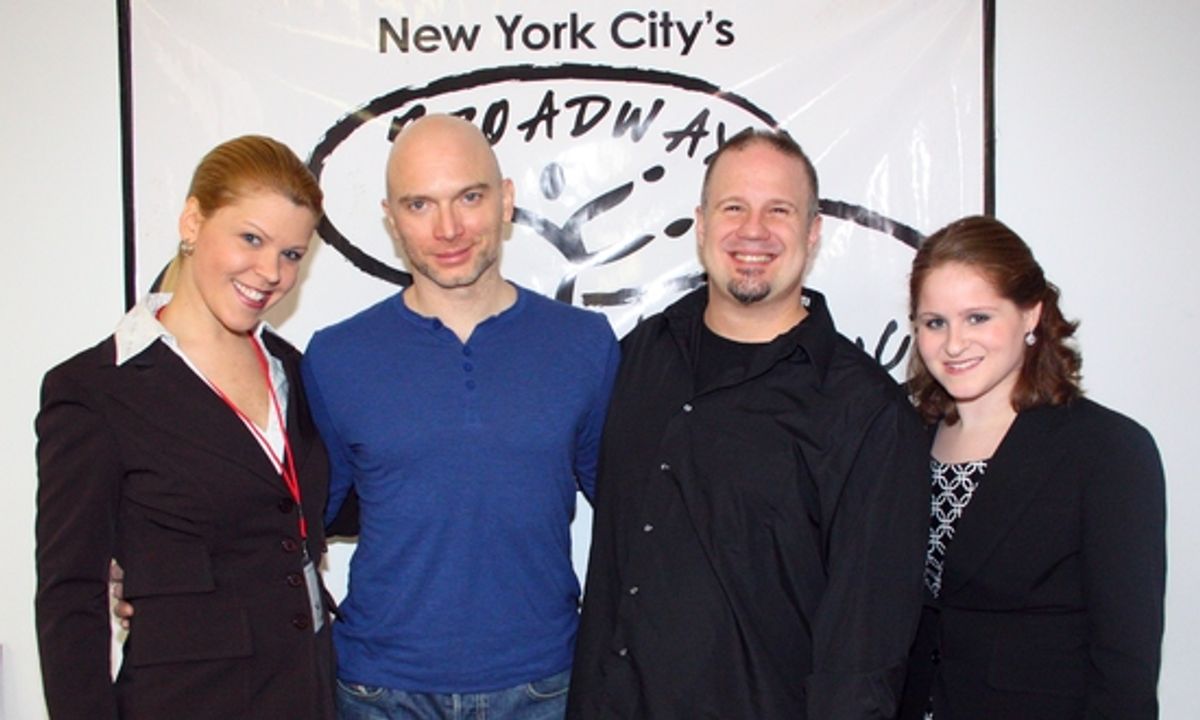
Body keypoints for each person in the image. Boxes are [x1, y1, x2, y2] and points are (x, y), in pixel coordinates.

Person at [567, 128, 930, 719]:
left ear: (813, 232)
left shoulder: (867, 413)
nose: (753, 231)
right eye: (733, 207)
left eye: (778, 210)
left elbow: (864, 654)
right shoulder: (639, 357)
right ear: (701, 225)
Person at [302, 114, 620, 719]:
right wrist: (163, 573)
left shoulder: (584, 344)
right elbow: (287, 524)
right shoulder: (336, 356)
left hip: (544, 687)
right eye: (419, 204)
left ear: (506, 200)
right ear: (391, 218)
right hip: (379, 692)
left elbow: (640, 515)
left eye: (469, 197)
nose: (448, 228)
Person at [35, 135, 336, 719]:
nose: (270, 273)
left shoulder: (292, 370)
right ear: (193, 221)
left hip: (308, 694)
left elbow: (325, 507)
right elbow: (69, 597)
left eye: (292, 254)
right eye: (251, 239)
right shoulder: (96, 390)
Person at [896, 215, 1166, 719]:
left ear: (1030, 315)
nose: (954, 343)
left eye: (978, 318)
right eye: (935, 322)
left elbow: (1125, 665)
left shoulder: (1106, 450)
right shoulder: (904, 441)